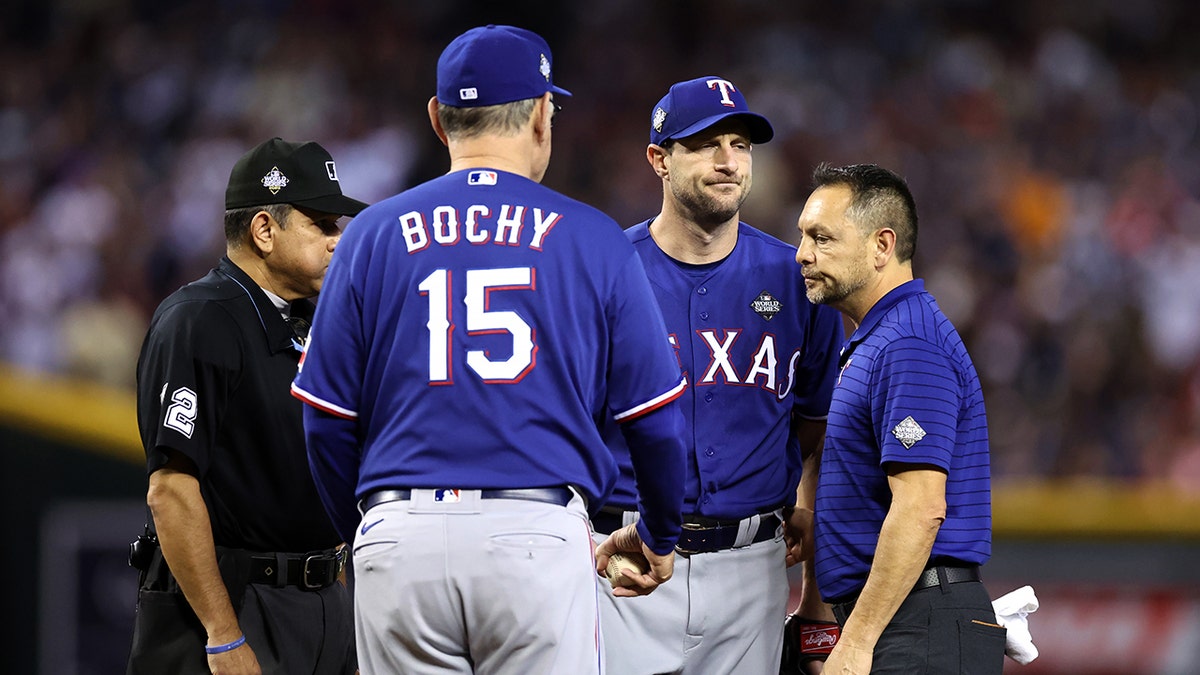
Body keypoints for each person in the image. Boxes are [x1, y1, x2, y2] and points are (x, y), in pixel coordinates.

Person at [290, 24, 689, 675]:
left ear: (438, 121)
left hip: (400, 534)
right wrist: (659, 533)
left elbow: (324, 420)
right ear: (539, 115)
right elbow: (658, 423)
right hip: (532, 534)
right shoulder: (593, 236)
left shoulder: (370, 235)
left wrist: (365, 523)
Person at [591, 76, 844, 675]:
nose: (729, 161)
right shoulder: (604, 273)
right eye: (706, 144)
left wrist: (803, 505)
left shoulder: (797, 279)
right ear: (659, 158)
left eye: (740, 143)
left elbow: (816, 427)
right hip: (620, 560)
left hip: (751, 567)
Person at [128, 137, 368, 674]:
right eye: (323, 224)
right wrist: (223, 634)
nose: (338, 240)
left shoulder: (312, 320)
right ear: (264, 229)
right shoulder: (199, 320)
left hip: (322, 602)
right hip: (239, 603)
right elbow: (171, 489)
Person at [795, 163, 1006, 673]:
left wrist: (857, 640)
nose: (803, 254)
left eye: (822, 238)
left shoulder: (908, 342)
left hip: (918, 621)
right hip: (906, 617)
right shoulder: (876, 338)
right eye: (803, 236)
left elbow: (920, 508)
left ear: (882, 245)